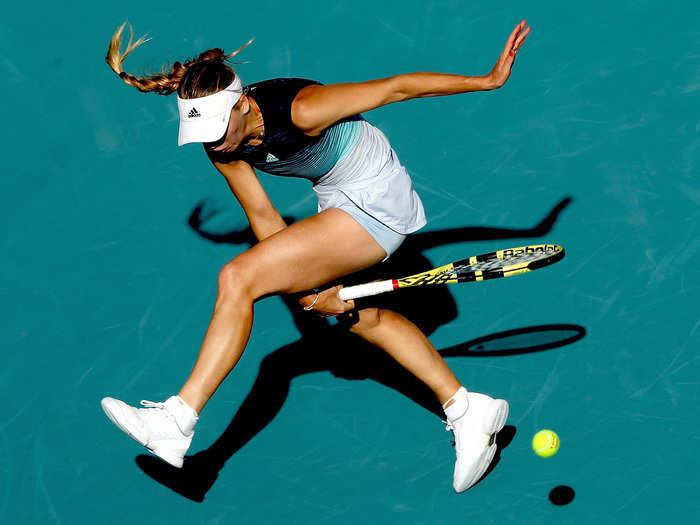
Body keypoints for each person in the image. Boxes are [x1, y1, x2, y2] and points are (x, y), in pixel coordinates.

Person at [100, 20, 530, 493]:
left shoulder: (303, 110)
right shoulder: (220, 145)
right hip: (335, 199)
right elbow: (263, 216)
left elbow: (395, 89)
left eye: (220, 126)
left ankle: (178, 420)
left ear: (242, 104)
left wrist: (485, 81)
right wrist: (305, 288)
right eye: (200, 130)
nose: (213, 139)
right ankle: (470, 410)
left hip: (377, 197)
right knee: (356, 316)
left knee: (237, 278)